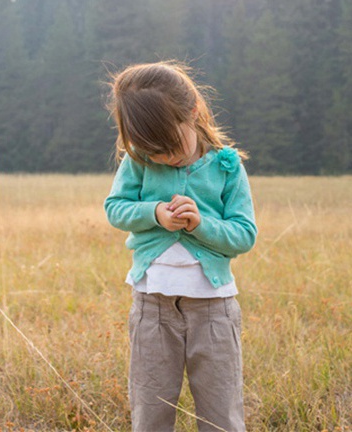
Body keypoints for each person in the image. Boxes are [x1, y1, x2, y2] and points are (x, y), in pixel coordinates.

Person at [104, 61, 257, 432]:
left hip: (214, 309)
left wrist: (201, 224)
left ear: (193, 112)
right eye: (152, 150)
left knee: (221, 412)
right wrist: (155, 212)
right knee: (150, 410)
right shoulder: (140, 160)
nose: (165, 158)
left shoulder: (227, 166)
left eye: (171, 146)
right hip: (152, 306)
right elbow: (115, 208)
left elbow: (244, 234)